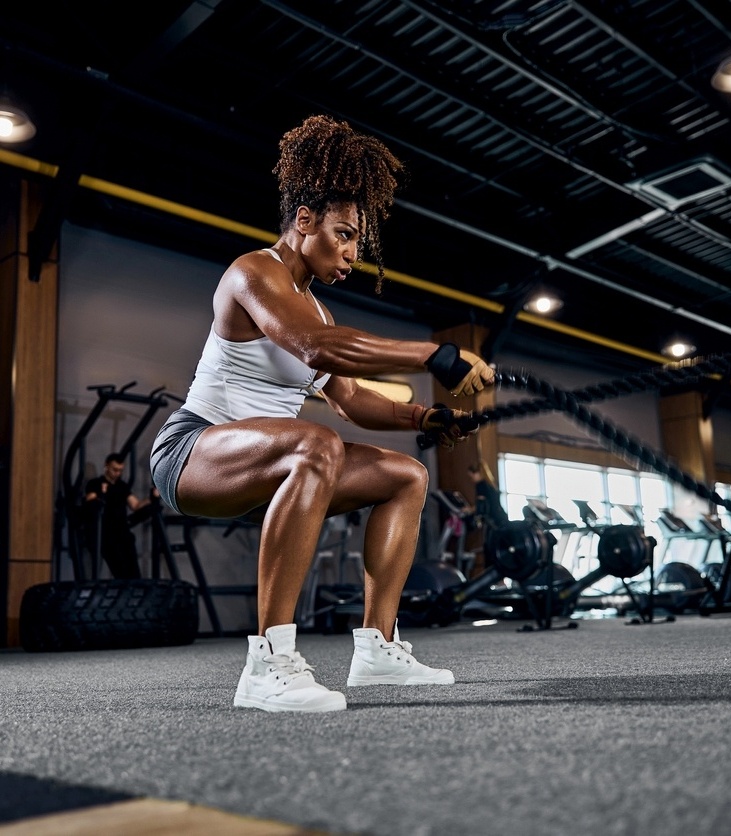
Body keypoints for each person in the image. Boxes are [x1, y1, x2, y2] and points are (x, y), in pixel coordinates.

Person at [150, 114, 495, 713]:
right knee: (315, 443)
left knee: (404, 477)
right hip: (192, 452)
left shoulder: (319, 311)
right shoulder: (254, 272)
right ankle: (267, 662)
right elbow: (315, 349)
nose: (353, 253)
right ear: (303, 221)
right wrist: (432, 355)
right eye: (343, 233)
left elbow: (353, 398)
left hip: (268, 459)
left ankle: (377, 648)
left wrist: (424, 420)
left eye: (358, 239)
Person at [84, 453, 157, 579]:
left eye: (120, 470)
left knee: (133, 571)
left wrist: (152, 498)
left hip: (122, 532)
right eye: (115, 470)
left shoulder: (122, 486)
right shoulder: (95, 484)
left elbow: (135, 505)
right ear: (106, 466)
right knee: (120, 570)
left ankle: (134, 589)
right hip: (106, 534)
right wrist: (102, 493)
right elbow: (91, 504)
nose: (117, 473)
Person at [466, 462, 509, 532]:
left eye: (472, 476)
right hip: (501, 516)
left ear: (477, 473)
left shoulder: (481, 485)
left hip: (493, 519)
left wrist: (469, 509)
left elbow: (481, 505)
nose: (472, 479)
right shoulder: (490, 484)